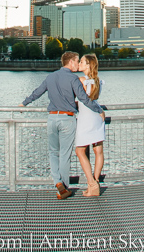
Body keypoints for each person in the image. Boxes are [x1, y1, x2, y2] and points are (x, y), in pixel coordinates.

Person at [20, 51, 104, 199]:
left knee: (53, 152)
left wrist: (23, 103)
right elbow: (84, 99)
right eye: (77, 61)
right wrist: (99, 110)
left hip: (52, 118)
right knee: (65, 154)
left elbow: (37, 92)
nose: (78, 64)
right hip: (67, 118)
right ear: (71, 62)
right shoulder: (73, 79)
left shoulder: (50, 76)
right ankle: (64, 187)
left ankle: (57, 182)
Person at [74, 54, 105, 197]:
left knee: (80, 152)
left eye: (81, 62)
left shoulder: (80, 80)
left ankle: (91, 183)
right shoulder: (98, 81)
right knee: (98, 151)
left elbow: (82, 100)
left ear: (88, 65)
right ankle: (96, 182)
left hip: (85, 118)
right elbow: (93, 100)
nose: (79, 63)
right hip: (97, 117)